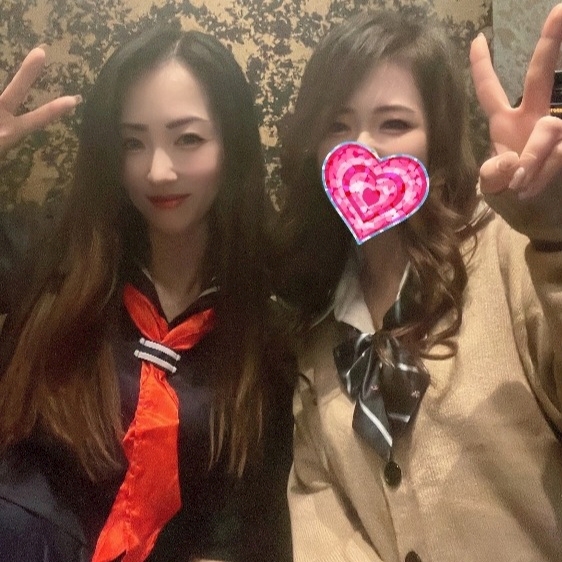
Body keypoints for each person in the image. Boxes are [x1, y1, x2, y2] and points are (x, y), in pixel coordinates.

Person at [268, 5, 562, 562]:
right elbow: (320, 509)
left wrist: (554, 237)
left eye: (394, 124)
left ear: (437, 141)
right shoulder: (317, 327)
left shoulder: (510, 255)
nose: (362, 146)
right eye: (337, 125)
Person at [0, 25, 293, 562]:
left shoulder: (267, 320)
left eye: (188, 139)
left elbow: (252, 521)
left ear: (231, 145)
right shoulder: (53, 256)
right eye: (132, 143)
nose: (158, 171)